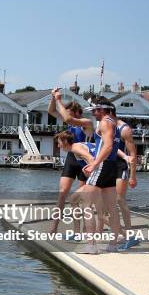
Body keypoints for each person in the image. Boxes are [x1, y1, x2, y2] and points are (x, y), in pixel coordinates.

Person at [79, 97, 125, 253]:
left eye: (94, 110)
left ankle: (91, 245)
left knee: (85, 204)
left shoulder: (105, 122)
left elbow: (108, 146)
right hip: (111, 165)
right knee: (112, 208)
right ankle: (112, 245)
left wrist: (94, 164)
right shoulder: (114, 123)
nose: (93, 113)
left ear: (102, 109)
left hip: (103, 165)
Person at [47, 88, 94, 234]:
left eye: (68, 112)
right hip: (71, 160)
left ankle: (80, 230)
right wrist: (53, 97)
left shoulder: (87, 124)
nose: (65, 115)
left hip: (85, 163)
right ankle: (54, 227)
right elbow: (51, 111)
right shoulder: (71, 123)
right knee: (62, 193)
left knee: (80, 199)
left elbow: (66, 117)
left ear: (75, 112)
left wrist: (59, 100)